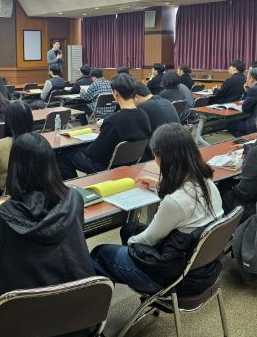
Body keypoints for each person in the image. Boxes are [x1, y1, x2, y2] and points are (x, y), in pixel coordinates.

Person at [0, 132, 95, 306]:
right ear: (52, 163)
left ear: (14, 168)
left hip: (28, 313)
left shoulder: (4, 216)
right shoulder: (74, 198)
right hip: (82, 304)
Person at [91, 123, 223, 295]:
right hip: (202, 269)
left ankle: (101, 303)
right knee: (128, 229)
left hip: (176, 279)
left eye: (155, 156)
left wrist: (131, 247)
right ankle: (130, 269)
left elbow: (148, 239)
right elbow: (185, 204)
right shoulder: (207, 184)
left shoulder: (175, 202)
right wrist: (158, 185)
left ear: (163, 158)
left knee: (100, 253)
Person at [58, 74, 152, 179]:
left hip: (104, 166)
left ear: (115, 93)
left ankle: (73, 186)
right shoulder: (144, 115)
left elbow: (94, 153)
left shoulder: (113, 120)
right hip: (131, 163)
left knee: (62, 155)